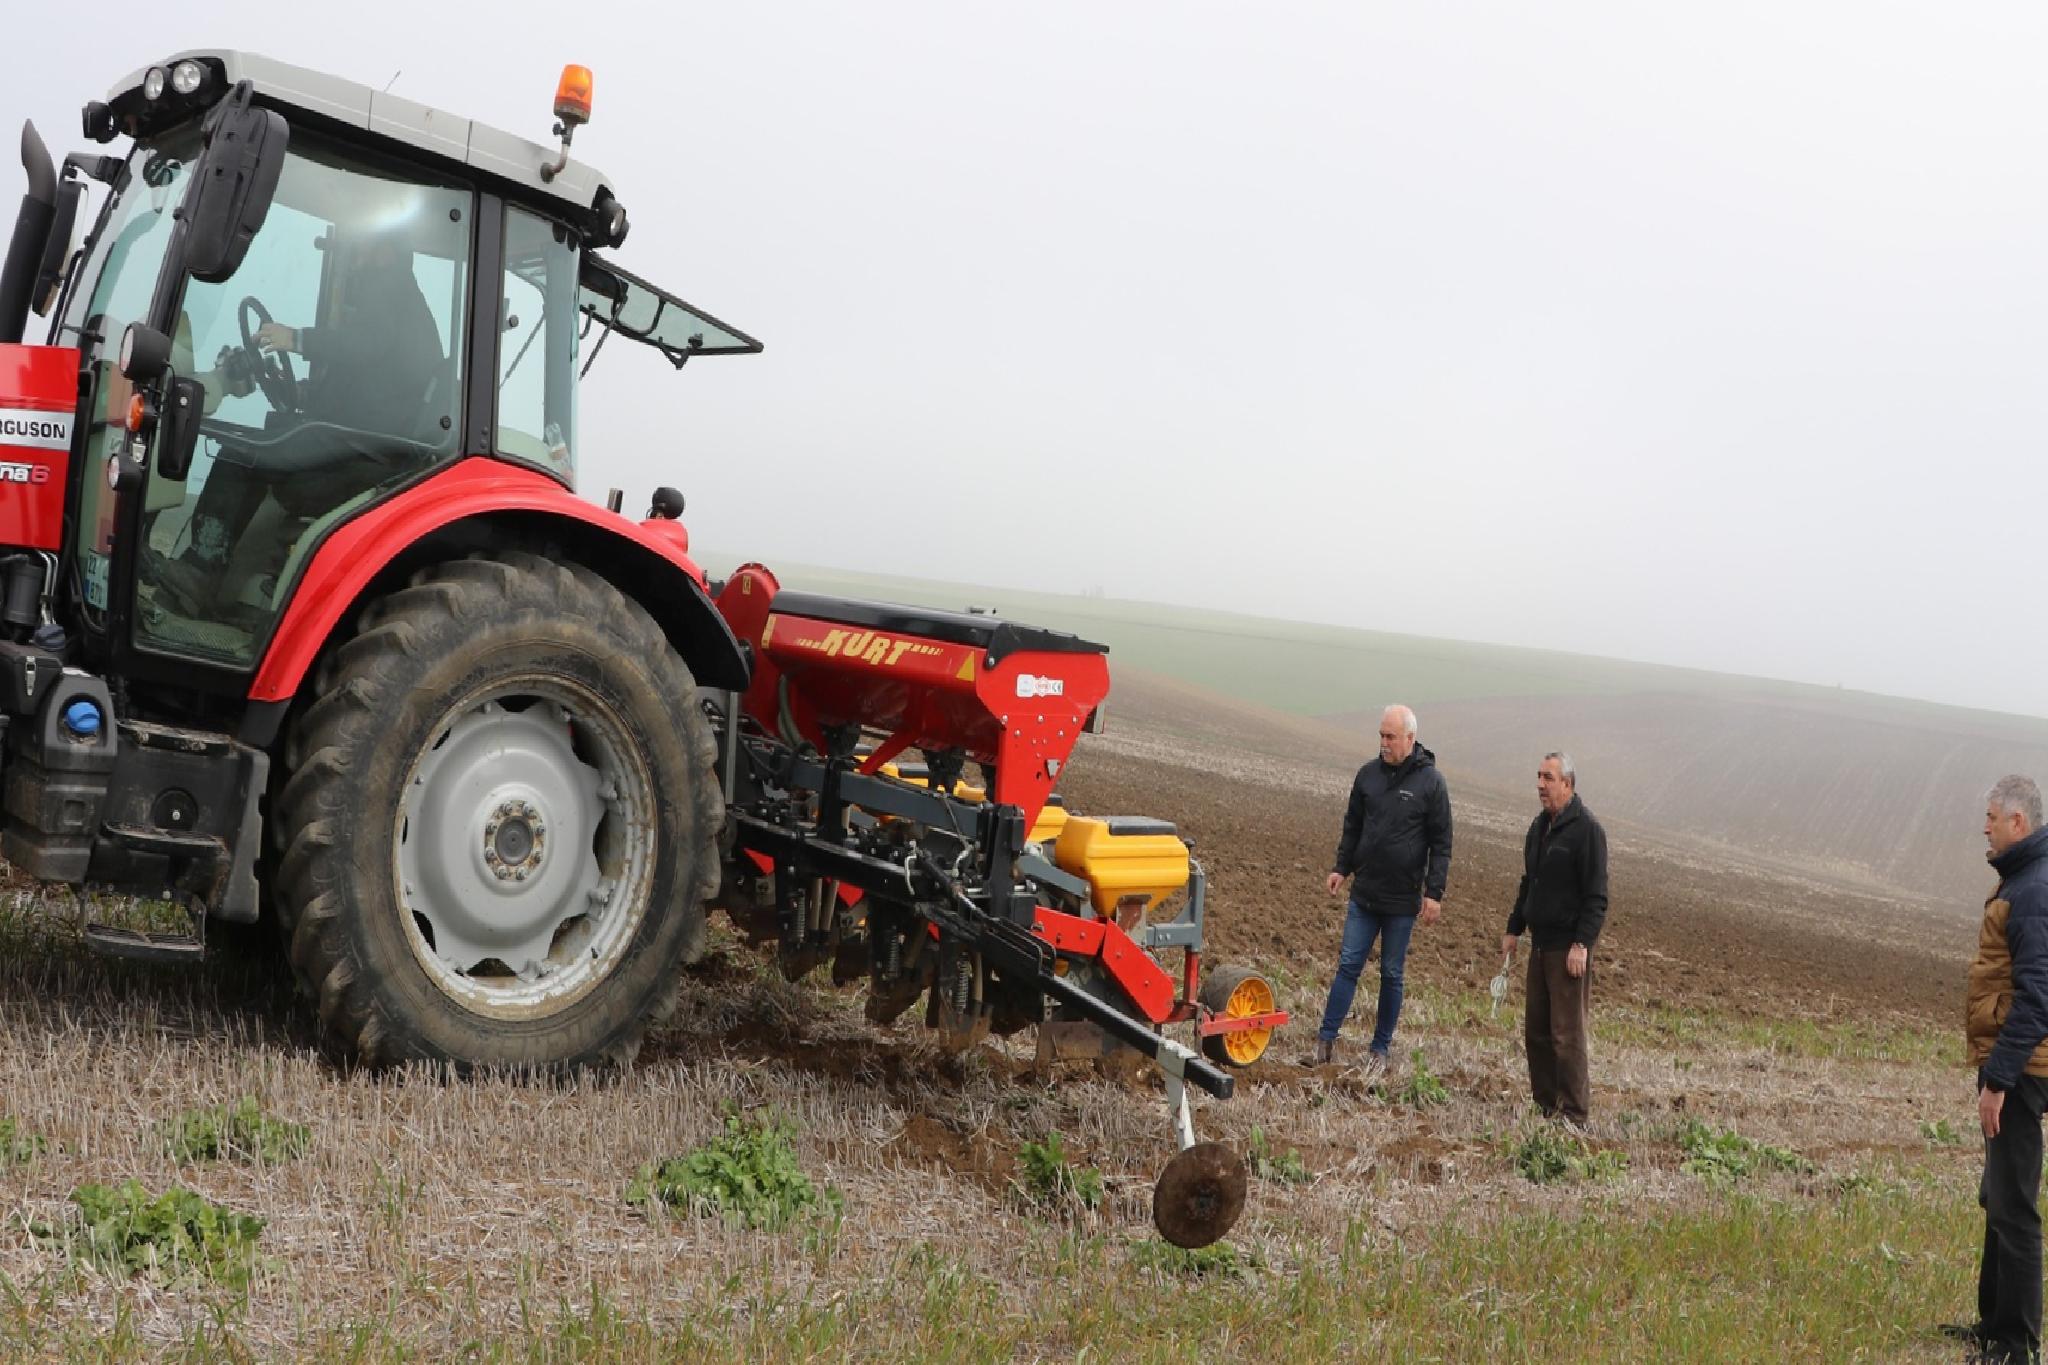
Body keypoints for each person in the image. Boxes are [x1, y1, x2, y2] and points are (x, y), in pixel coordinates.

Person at [154, 232, 442, 616]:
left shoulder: (389, 294)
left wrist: (297, 339)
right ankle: (204, 581)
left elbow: (366, 344)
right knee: (261, 440)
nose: (355, 262)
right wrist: (301, 392)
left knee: (242, 453)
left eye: (361, 250)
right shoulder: (404, 304)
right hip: (366, 440)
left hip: (365, 450)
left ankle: (201, 569)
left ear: (386, 251)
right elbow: (367, 381)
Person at [1303, 704, 1452, 1073]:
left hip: (1402, 901)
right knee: (1348, 965)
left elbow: (1442, 842)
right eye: (1381, 736)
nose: (1384, 743)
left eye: (1391, 737)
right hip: (1365, 894)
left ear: (1410, 738)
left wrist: (1434, 893)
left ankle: (1379, 1050)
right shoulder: (1367, 776)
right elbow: (1353, 825)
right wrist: (1342, 867)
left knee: (1391, 974)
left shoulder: (1431, 783)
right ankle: (1325, 1043)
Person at [1957, 775, 2048, 1364]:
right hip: (2015, 1062)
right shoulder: (2023, 879)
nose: (1984, 826)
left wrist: (1998, 1080)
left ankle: (2015, 1347)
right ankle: (1993, 1324)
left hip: (2022, 1067)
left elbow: (2038, 996)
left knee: (2014, 1204)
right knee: (1999, 1194)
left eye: (1991, 816)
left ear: (2019, 822)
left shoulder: (2034, 890)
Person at [1501, 751, 1608, 1125]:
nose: (1540, 785)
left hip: (1568, 950)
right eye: (1538, 777)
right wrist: (1515, 927)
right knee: (1537, 1033)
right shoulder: (1539, 828)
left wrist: (1582, 944)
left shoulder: (1587, 831)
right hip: (1540, 945)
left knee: (1567, 1035)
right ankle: (1546, 1109)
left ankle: (1575, 1116)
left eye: (1548, 778)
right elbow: (1529, 882)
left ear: (1568, 784)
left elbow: (1596, 896)